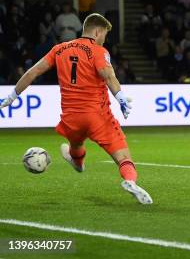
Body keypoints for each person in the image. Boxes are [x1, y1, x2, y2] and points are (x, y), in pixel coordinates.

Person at [0, 13, 152, 204]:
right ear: (97, 31)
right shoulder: (97, 51)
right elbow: (108, 74)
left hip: (71, 118)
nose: (104, 39)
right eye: (104, 34)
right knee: (123, 158)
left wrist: (12, 96)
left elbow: (33, 72)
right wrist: (120, 96)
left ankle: (78, 164)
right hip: (97, 116)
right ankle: (130, 181)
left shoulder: (59, 49)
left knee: (76, 145)